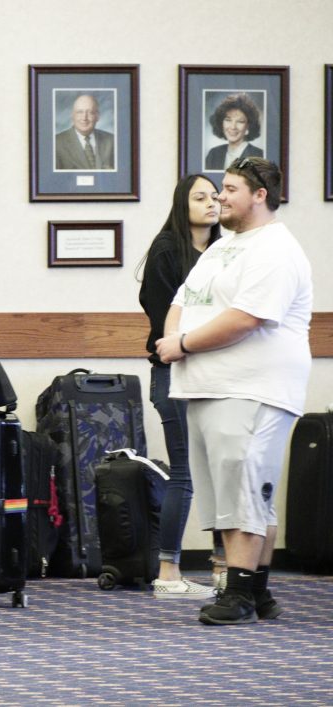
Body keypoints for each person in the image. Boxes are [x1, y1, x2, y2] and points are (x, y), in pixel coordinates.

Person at [157, 157, 312, 625]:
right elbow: (183, 299)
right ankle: (258, 593)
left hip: (252, 387)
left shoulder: (276, 250)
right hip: (207, 386)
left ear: (259, 194)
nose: (220, 197)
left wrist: (181, 344)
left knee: (246, 490)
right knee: (229, 492)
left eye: (229, 189)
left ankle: (239, 593)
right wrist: (172, 342)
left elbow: (247, 319)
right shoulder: (225, 248)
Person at [138, 174, 225, 599]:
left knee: (220, 472)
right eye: (200, 197)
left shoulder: (226, 252)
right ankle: (169, 571)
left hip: (220, 373)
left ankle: (225, 566)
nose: (212, 203)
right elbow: (163, 323)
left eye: (216, 196)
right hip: (175, 372)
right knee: (186, 473)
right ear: (181, 203)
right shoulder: (167, 251)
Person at [54, 93, 115, 171]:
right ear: (72, 116)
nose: (84, 118)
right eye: (80, 112)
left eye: (90, 112)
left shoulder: (112, 140)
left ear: (97, 116)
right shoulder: (56, 143)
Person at [204, 93, 264, 171]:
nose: (233, 127)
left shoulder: (259, 156)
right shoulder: (213, 153)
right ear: (221, 123)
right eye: (228, 120)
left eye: (240, 121)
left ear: (248, 127)